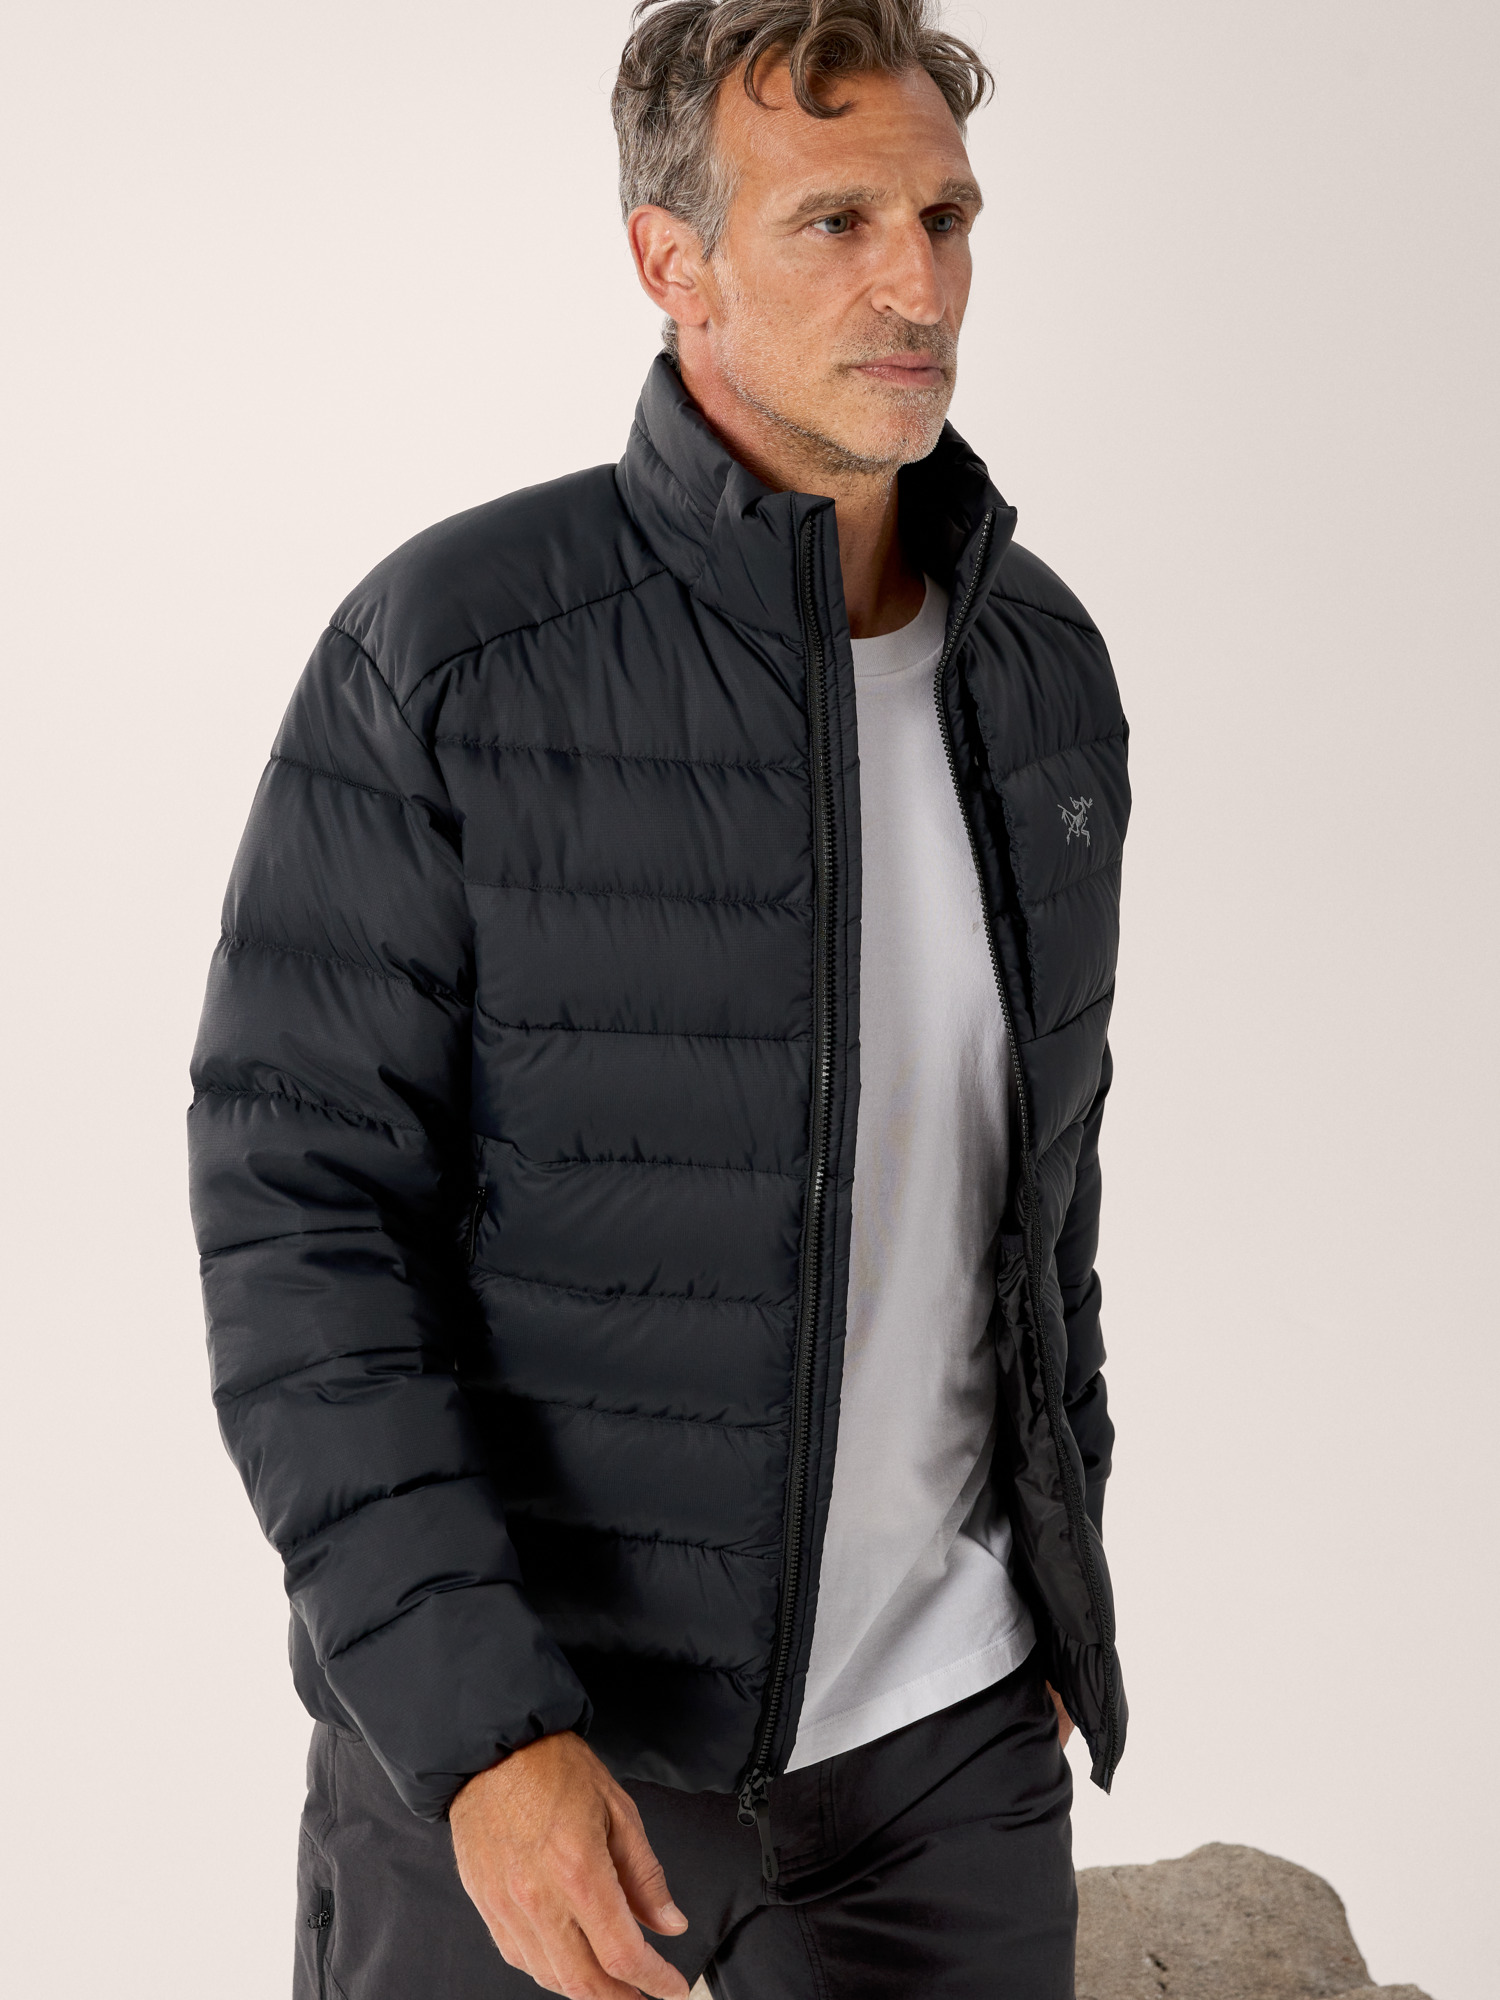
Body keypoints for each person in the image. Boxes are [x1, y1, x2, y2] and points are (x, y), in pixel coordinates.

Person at [188, 2, 1130, 1994]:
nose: (917, 283)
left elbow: (1041, 1188)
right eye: (837, 221)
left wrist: (1056, 1584)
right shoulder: (453, 656)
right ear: (669, 260)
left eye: (947, 218)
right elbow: (301, 1228)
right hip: (550, 1756)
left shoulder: (1038, 668)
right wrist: (477, 1730)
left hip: (943, 1763)